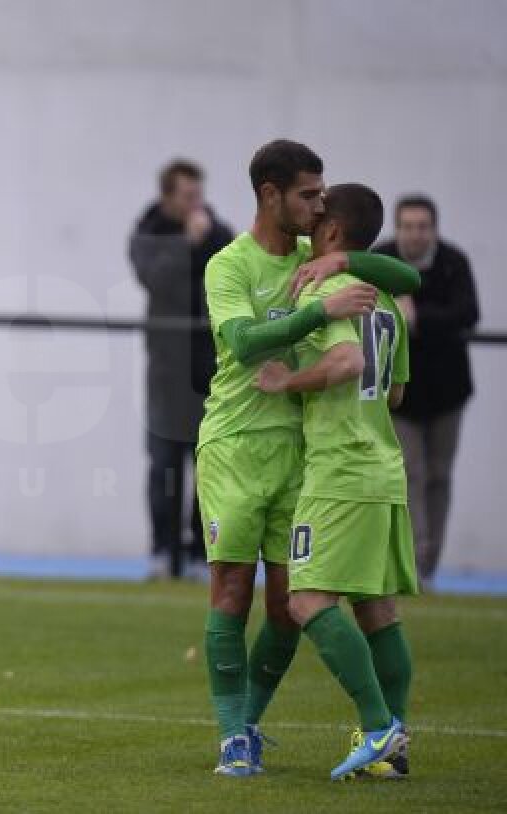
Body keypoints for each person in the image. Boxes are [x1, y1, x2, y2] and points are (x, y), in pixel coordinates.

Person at [196, 139, 420, 777]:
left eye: (323, 196)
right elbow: (242, 343)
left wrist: (347, 259)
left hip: (303, 455)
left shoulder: (316, 255)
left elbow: (407, 280)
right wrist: (321, 309)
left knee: (289, 602)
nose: (319, 204)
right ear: (271, 195)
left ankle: (256, 721)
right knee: (232, 589)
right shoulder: (228, 265)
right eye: (308, 194)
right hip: (235, 444)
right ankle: (232, 737)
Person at [256, 182, 417, 779]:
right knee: (378, 611)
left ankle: (376, 728)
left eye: (318, 215)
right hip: (383, 468)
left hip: (340, 471)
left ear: (330, 232)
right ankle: (393, 747)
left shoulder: (330, 291)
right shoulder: (386, 304)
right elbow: (395, 392)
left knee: (305, 599)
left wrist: (286, 382)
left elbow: (346, 362)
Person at [130, 159, 232, 580]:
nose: (196, 205)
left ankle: (197, 553)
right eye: (188, 196)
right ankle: (161, 550)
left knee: (206, 467)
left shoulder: (220, 234)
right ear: (167, 196)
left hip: (210, 368)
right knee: (163, 466)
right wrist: (185, 247)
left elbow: (228, 281)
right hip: (166, 371)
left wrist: (204, 244)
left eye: (199, 195)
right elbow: (155, 280)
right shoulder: (149, 234)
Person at [374, 196, 480, 587]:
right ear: (397, 228)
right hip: (399, 393)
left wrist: (418, 317)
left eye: (423, 226)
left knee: (440, 476)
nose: (416, 234)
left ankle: (430, 564)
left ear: (434, 229)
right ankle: (413, 563)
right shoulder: (380, 260)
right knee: (410, 474)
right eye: (408, 226)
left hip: (448, 392)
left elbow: (468, 311)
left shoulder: (453, 262)